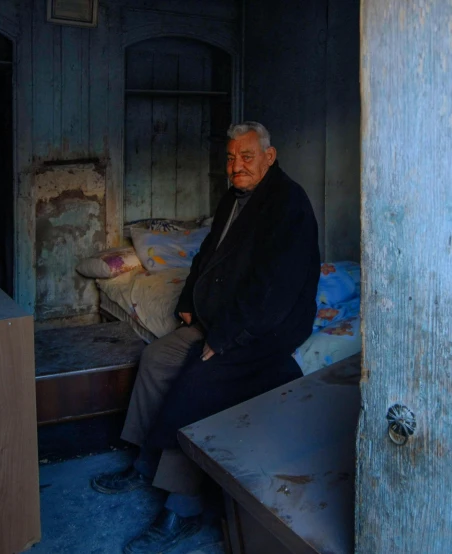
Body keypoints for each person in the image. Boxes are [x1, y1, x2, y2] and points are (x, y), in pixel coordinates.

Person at [91, 121, 321, 554]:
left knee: (198, 382)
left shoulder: (288, 204)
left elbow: (277, 290)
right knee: (158, 357)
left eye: (247, 157)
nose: (237, 166)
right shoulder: (234, 198)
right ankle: (142, 462)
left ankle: (183, 508)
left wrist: (229, 336)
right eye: (231, 158)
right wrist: (189, 299)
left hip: (262, 327)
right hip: (221, 316)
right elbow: (209, 254)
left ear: (270, 157)